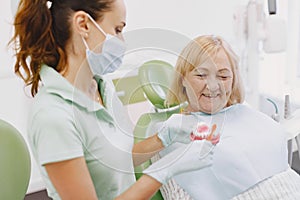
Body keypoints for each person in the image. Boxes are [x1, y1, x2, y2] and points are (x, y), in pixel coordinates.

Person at [9, 0, 217, 199]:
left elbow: (116, 161)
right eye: (117, 30)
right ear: (83, 25)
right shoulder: (53, 115)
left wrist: (164, 137)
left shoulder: (102, 89)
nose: (122, 42)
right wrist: (166, 169)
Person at [154, 35, 300, 199]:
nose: (213, 86)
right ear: (183, 79)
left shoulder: (247, 113)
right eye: (201, 75)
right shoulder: (171, 133)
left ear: (233, 80)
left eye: (223, 77)